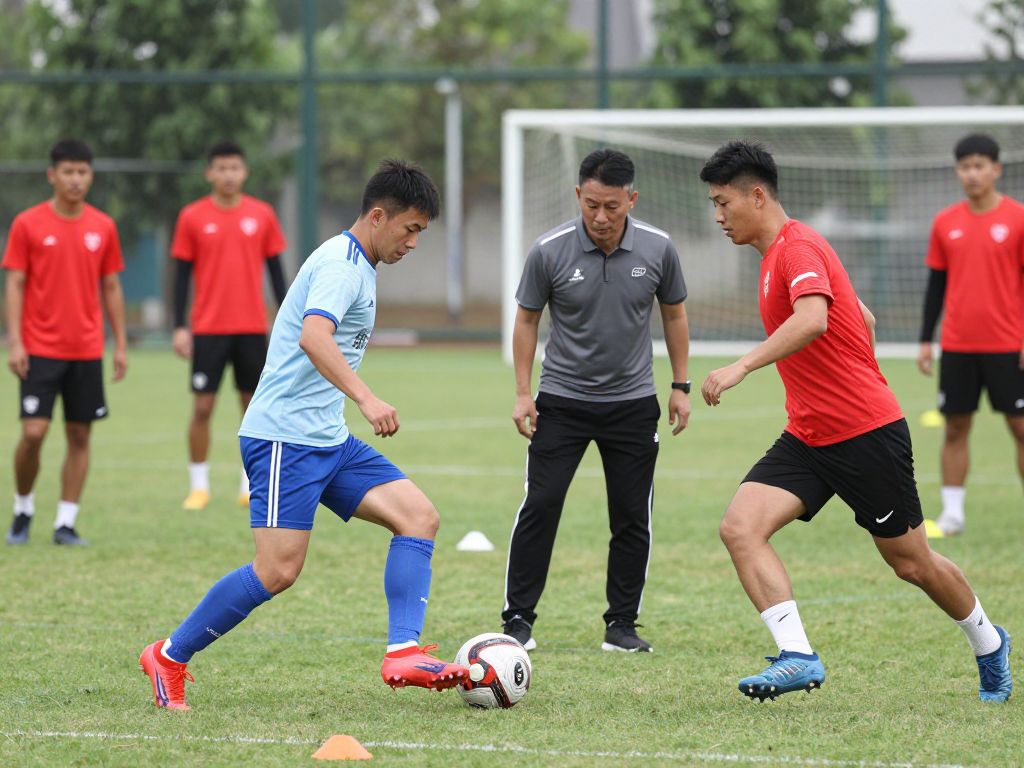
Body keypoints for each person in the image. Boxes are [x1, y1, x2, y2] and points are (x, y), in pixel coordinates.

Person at [139, 159, 468, 710]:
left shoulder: (360, 263)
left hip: (326, 439)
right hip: (283, 440)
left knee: (418, 517)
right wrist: (366, 396)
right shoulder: (343, 267)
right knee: (277, 570)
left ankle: (403, 652)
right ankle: (168, 656)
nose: (414, 242)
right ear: (380, 216)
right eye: (411, 229)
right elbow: (315, 337)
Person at [698, 140, 1012, 703]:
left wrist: (743, 365)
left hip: (866, 435)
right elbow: (856, 313)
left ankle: (989, 643)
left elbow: (815, 317)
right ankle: (797, 656)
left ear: (757, 195)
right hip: (809, 435)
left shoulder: (797, 249)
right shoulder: (781, 255)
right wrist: (847, 369)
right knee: (740, 527)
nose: (717, 216)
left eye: (723, 203)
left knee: (911, 563)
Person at [501, 148, 691, 654]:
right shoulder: (549, 250)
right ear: (577, 197)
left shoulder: (659, 249)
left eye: (612, 206)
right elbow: (526, 319)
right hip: (561, 401)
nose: (601, 217)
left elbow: (673, 314)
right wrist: (523, 393)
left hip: (632, 405)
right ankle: (518, 620)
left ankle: (621, 626)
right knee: (540, 505)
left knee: (632, 514)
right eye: (591, 205)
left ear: (632, 199)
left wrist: (681, 384)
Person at [3, 138, 128, 547]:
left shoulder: (103, 226)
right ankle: (23, 509)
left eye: (83, 172)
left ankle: (65, 523)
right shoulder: (28, 224)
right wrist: (16, 341)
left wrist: (121, 343)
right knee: (35, 432)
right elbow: (16, 283)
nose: (76, 180)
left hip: (87, 349)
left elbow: (110, 286)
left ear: (90, 175)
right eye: (68, 172)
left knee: (79, 435)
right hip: (39, 348)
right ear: (52, 175)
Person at [171, 141, 288, 511]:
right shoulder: (191, 216)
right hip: (207, 328)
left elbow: (276, 272)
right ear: (209, 173)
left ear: (245, 172)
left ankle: (248, 485)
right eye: (220, 168)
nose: (228, 174)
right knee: (203, 406)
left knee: (252, 408)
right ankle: (199, 486)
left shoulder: (262, 214)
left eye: (234, 167)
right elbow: (180, 276)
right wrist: (179, 325)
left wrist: (287, 318)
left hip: (251, 327)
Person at [917, 133, 1024, 537]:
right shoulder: (946, 222)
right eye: (965, 166)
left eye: (980, 166)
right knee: (956, 427)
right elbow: (936, 286)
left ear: (996, 169)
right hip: (958, 345)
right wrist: (926, 339)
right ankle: (953, 514)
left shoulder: (1018, 218)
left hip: (1008, 346)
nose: (972, 174)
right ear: (957, 171)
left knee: (1020, 428)